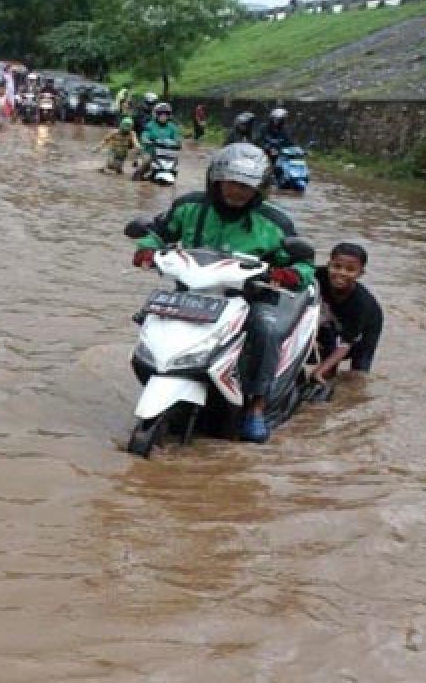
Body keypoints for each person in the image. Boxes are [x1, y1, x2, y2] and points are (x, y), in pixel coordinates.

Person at [132, 143, 313, 443]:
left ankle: (255, 406)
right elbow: (158, 233)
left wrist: (286, 273)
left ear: (259, 189)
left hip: (250, 296)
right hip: (192, 294)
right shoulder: (188, 206)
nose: (237, 192)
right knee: (147, 317)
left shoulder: (274, 223)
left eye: (246, 186)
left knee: (265, 330)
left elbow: (303, 264)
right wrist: (146, 251)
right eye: (231, 183)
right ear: (215, 180)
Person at [311, 242, 383, 385]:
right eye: (336, 266)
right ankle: (328, 374)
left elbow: (345, 344)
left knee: (357, 373)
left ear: (360, 273)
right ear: (328, 265)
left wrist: (319, 371)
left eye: (350, 270)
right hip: (333, 316)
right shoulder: (317, 275)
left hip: (367, 326)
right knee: (327, 351)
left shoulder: (362, 304)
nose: (341, 273)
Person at [134, 102, 182, 181]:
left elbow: (177, 138)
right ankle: (137, 175)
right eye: (161, 114)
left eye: (165, 114)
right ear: (157, 114)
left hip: (167, 153)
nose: (163, 116)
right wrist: (148, 141)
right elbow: (144, 136)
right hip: (150, 151)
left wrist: (178, 143)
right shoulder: (150, 125)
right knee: (146, 161)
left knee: (175, 163)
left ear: (168, 115)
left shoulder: (172, 127)